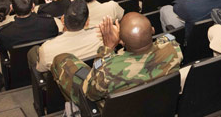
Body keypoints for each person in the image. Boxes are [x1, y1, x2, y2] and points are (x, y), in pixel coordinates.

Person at [50, 13, 183, 106]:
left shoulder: (107, 71)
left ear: (122, 42)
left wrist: (107, 48)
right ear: (153, 30)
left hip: (117, 116)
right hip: (156, 105)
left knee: (61, 60)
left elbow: (90, 93)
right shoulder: (173, 47)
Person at [0, 0, 58, 72]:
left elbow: (2, 51)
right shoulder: (49, 22)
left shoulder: (4, 32)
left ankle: (7, 76)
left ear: (11, 8)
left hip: (19, 71)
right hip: (47, 66)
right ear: (33, 5)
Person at [30, 0, 102, 73]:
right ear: (87, 22)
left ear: (62, 19)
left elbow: (40, 70)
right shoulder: (102, 39)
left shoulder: (46, 49)